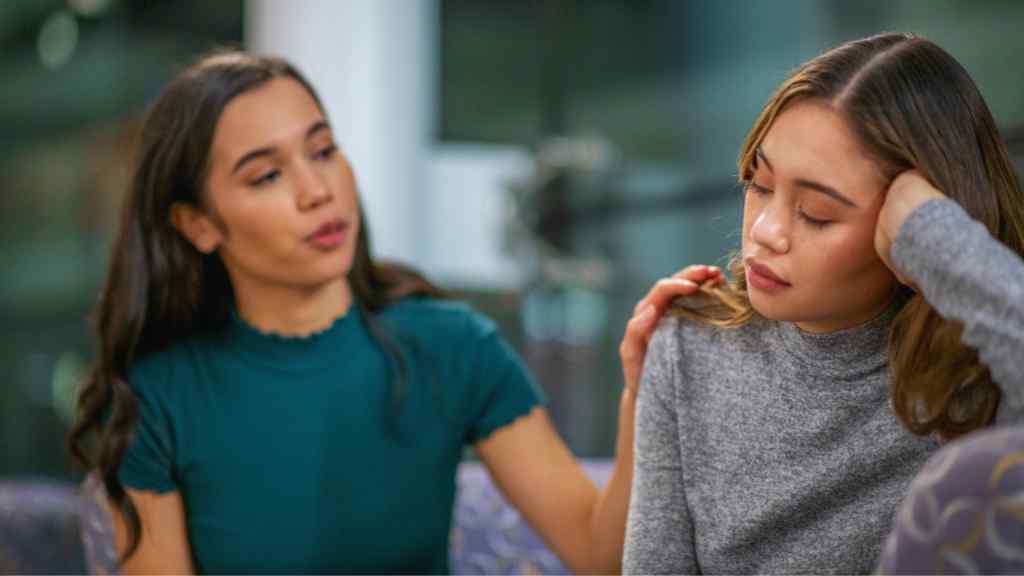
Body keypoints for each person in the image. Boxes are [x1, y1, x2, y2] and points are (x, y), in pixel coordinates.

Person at [67, 50, 698, 574]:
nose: (318, 191)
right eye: (266, 176)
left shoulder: (451, 346)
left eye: (322, 150)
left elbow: (600, 556)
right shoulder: (159, 399)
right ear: (198, 224)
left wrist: (641, 399)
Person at [621, 32, 1024, 574]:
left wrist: (935, 238)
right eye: (758, 184)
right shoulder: (690, 345)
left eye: (816, 213)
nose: (765, 232)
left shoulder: (980, 374)